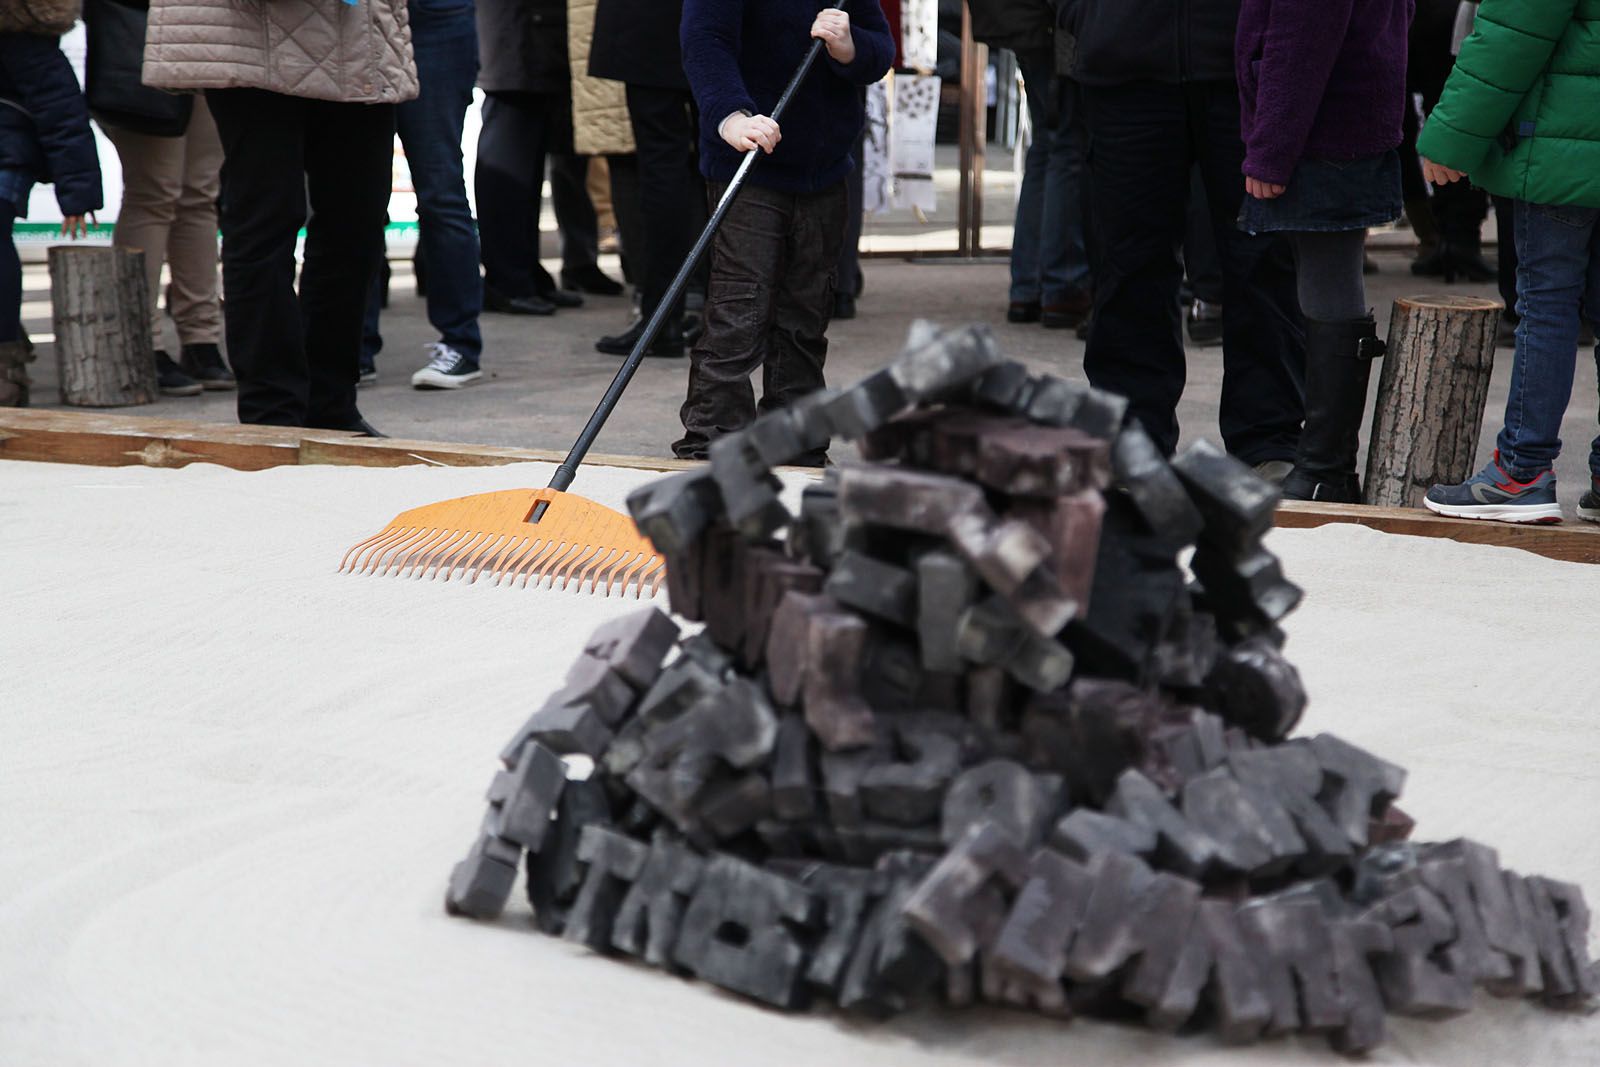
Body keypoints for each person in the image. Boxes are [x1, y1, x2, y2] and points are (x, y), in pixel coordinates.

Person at [144, 0, 416, 435]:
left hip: (359, 37)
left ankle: (330, 405)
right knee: (265, 222)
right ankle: (271, 413)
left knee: (357, 224)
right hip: (250, 37)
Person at [1059, 0, 1306, 470]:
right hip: (1124, 61)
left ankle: (1269, 439)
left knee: (1263, 257)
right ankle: (1132, 438)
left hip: (1245, 63)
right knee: (1128, 264)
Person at [674, 1, 894, 462]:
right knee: (741, 305)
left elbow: (879, 49)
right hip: (747, 161)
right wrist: (731, 116)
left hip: (824, 166)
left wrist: (850, 46)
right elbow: (705, 41)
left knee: (807, 311)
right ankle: (715, 434)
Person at [1416, 0, 1600, 525]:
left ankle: (1521, 471)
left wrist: (1449, 139)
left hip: (1559, 148)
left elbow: (1510, 34)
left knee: (1546, 305)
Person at [1235, 0, 1411, 503]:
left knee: (1327, 284)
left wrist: (1270, 151)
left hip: (1322, 130)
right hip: (1340, 119)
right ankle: (1325, 467)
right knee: (1327, 280)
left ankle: (1325, 470)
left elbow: (1301, 42)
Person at [361, 0, 486, 390]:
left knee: (441, 192)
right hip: (356, 21)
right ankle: (351, 348)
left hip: (432, 18)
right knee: (354, 199)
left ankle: (461, 344)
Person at [90, 51, 229, 396]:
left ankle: (201, 338)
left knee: (200, 194)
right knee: (153, 192)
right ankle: (142, 340)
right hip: (149, 45)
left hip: (213, 49)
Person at [0, 0, 101, 408]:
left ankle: (4, 357)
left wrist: (77, 191)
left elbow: (60, 108)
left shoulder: (17, 28)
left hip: (6, 146)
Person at [970, 0, 1091, 330]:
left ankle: (1031, 285)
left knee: (1049, 144)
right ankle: (1062, 283)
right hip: (1054, 23)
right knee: (1066, 144)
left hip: (1029, 19)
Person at [590, 0, 700, 358]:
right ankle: (728, 314)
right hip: (717, 18)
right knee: (722, 155)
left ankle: (663, 320)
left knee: (662, 162)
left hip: (650, 20)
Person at [474, 0, 585, 316]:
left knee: (529, 169)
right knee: (509, 168)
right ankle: (507, 280)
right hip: (515, 39)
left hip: (537, 38)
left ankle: (524, 273)